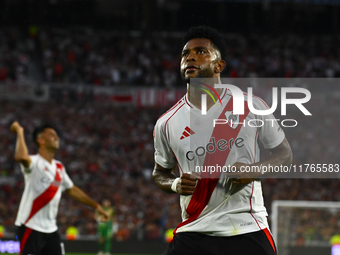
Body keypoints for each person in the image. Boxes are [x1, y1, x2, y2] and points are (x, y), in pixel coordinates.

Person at [152, 26, 293, 255]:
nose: (190, 57)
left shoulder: (252, 106)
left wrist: (254, 169)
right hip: (193, 231)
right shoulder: (166, 123)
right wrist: (175, 184)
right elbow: (160, 173)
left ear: (219, 65)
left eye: (200, 52)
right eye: (185, 54)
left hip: (247, 229)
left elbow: (284, 154)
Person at [10, 121, 110, 255]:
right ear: (41, 140)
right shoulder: (34, 162)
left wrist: (95, 205)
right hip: (30, 227)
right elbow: (21, 156)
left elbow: (71, 189)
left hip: (51, 230)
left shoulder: (59, 167)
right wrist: (20, 131)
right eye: (51, 135)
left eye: (56, 135)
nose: (56, 138)